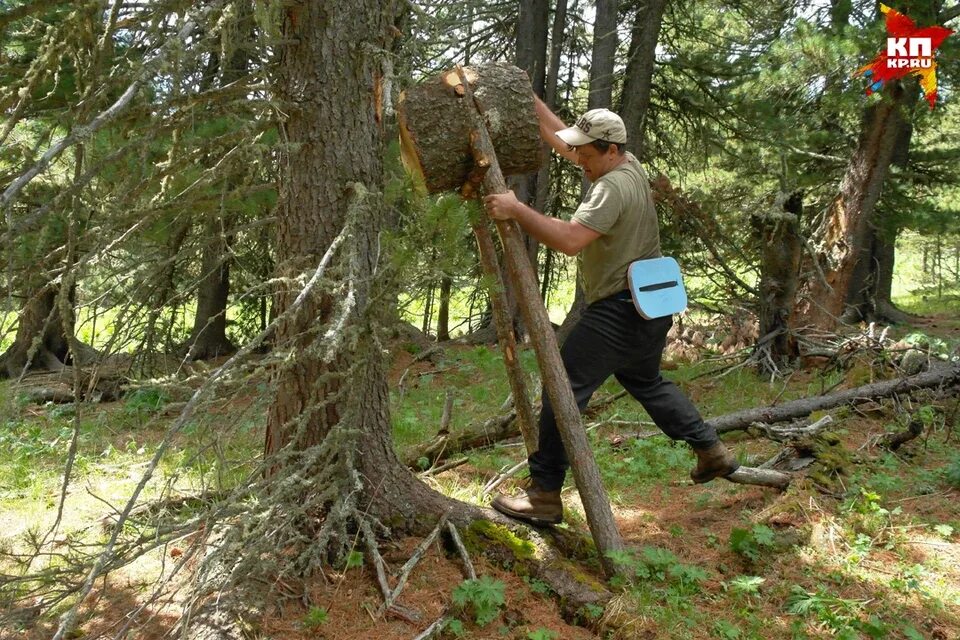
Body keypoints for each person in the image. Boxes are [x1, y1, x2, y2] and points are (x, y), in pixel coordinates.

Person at [483, 98, 739, 526]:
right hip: (650, 307)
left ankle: (544, 494)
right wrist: (528, 100)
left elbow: (568, 239)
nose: (577, 159)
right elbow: (567, 141)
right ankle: (710, 449)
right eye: (578, 150)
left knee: (561, 391)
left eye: (586, 153)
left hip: (619, 311)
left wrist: (515, 209)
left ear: (610, 151)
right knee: (648, 382)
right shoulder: (625, 163)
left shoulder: (610, 188)